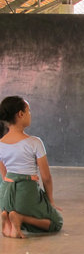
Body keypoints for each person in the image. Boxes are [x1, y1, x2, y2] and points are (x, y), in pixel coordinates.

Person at [0, 96, 63, 238]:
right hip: (26, 189)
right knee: (56, 222)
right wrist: (50, 200)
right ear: (20, 114)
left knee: (19, 207)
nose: (30, 115)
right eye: (29, 111)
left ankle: (8, 215)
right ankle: (21, 218)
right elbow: (46, 177)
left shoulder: (0, 144)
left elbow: (4, 176)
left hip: (4, 195)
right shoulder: (34, 142)